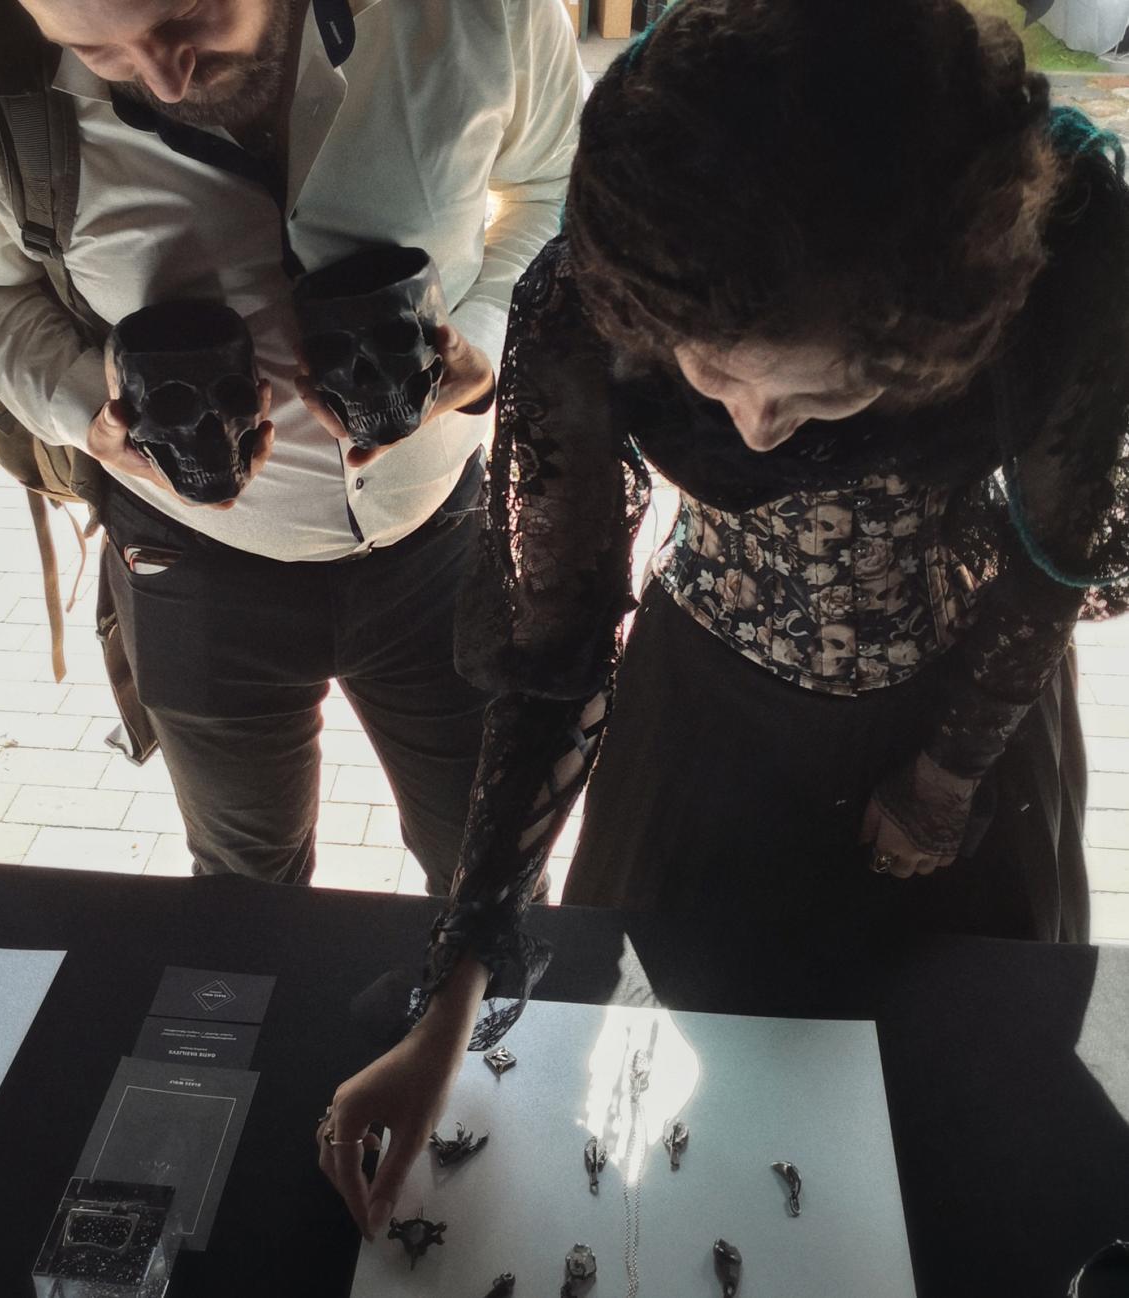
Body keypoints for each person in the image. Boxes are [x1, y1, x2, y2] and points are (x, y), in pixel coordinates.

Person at [317, 0, 1129, 1237]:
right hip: (709, 720)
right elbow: (556, 646)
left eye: (823, 393)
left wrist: (949, 769)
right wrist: (452, 992)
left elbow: (1051, 550)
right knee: (719, 1069)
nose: (751, 430)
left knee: (955, 1107)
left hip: (968, 708)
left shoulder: (1053, 254)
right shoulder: (599, 288)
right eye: (710, 374)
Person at [0, 0, 586, 890]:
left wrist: (486, 338)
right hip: (191, 564)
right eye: (93, 49)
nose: (162, 77)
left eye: (188, 14)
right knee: (242, 886)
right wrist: (82, 405)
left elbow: (560, 186)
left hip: (445, 540)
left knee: (490, 868)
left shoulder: (477, 13)